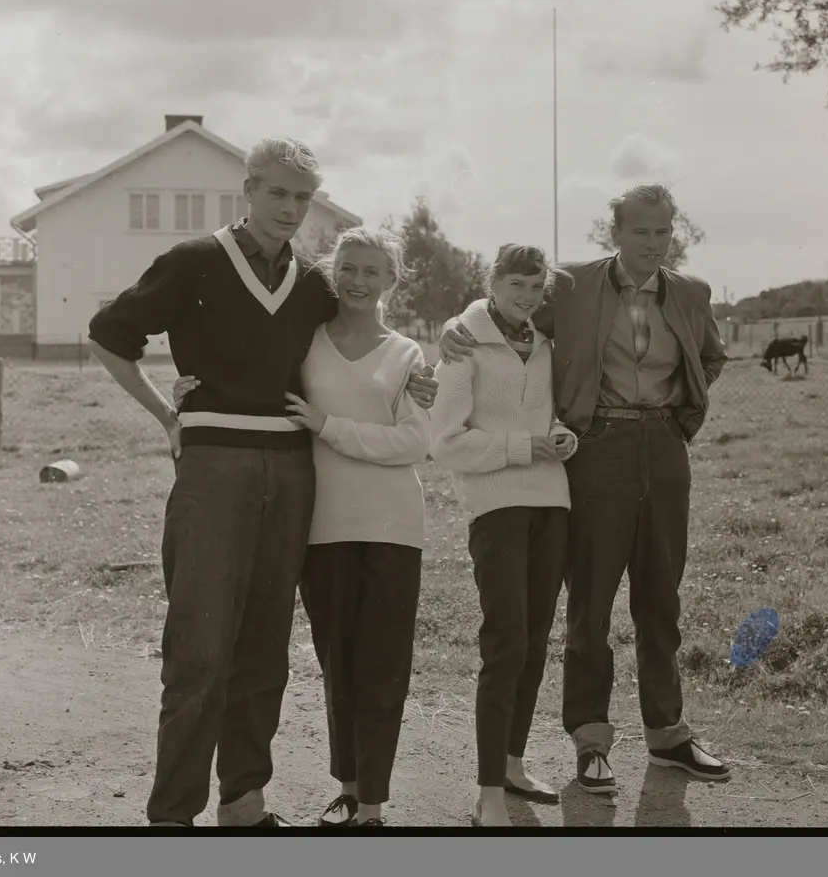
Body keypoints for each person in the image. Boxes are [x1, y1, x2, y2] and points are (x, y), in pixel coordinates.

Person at [87, 137, 437, 830]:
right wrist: (166, 414)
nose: (289, 208)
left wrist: (426, 368)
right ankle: (173, 815)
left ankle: (244, 803)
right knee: (200, 647)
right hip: (215, 468)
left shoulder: (313, 283)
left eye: (303, 197)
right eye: (277, 192)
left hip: (293, 470)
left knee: (265, 647)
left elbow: (365, 327)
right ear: (248, 189)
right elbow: (108, 335)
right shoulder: (194, 261)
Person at [439, 184, 730, 795]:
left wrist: (682, 407)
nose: (653, 243)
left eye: (663, 231)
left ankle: (668, 735)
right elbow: (506, 308)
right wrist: (451, 329)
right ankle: (591, 740)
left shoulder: (692, 293)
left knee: (661, 598)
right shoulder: (570, 286)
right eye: (640, 231)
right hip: (597, 448)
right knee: (591, 603)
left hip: (665, 450)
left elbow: (711, 357)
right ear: (615, 232)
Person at [173, 226, 429, 829]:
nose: (358, 281)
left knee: (383, 666)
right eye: (349, 269)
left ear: (392, 280)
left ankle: (374, 807)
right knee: (337, 665)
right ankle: (349, 790)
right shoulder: (305, 343)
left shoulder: (409, 356)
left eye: (372, 271)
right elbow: (248, 379)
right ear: (333, 273)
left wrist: (327, 426)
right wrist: (186, 392)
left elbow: (415, 443)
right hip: (321, 524)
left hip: (393, 524)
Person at [431, 244, 577, 828]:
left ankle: (514, 765)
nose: (527, 297)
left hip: (552, 504)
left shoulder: (544, 345)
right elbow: (446, 442)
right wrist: (524, 447)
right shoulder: (463, 343)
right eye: (517, 284)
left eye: (537, 287)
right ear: (492, 281)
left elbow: (549, 417)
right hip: (496, 507)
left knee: (536, 640)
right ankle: (488, 792)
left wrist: (562, 437)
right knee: (506, 643)